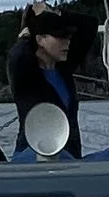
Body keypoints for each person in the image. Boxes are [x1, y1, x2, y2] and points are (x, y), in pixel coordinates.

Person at [6, 11, 83, 156]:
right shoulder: (25, 74)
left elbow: (89, 24)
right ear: (40, 40)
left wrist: (59, 13)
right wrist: (25, 34)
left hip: (68, 156)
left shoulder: (63, 69)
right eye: (60, 37)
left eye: (67, 38)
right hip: (32, 154)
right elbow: (17, 56)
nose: (66, 42)